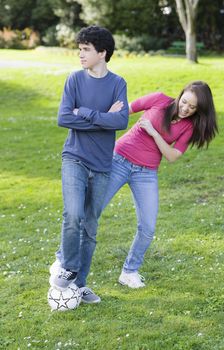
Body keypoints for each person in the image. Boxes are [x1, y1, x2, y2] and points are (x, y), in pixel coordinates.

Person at [102, 81, 218, 288]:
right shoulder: (158, 100)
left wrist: (154, 133)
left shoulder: (189, 127)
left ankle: (129, 271)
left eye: (192, 108)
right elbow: (125, 111)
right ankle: (65, 261)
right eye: (184, 102)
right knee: (91, 211)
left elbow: (172, 155)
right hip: (118, 160)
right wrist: (104, 117)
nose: (185, 109)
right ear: (180, 95)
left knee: (147, 227)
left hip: (146, 173)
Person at [49, 25, 128, 303]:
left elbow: (121, 121)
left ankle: (80, 285)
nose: (80, 54)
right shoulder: (74, 80)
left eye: (86, 50)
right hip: (75, 158)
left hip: (103, 166)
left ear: (102, 53)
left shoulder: (118, 84)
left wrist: (84, 112)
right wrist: (102, 117)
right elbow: (63, 118)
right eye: (80, 49)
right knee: (73, 215)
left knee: (90, 226)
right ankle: (69, 268)